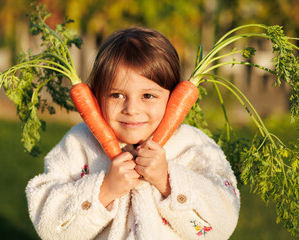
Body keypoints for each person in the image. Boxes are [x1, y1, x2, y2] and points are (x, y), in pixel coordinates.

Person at [26, 26, 240, 240]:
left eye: (148, 95)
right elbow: (49, 226)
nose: (132, 109)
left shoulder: (193, 145)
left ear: (173, 97)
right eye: (117, 95)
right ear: (97, 96)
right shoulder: (78, 144)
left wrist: (167, 181)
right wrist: (104, 190)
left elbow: (222, 222)